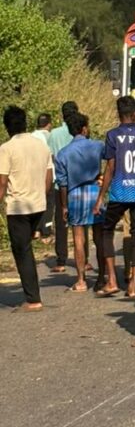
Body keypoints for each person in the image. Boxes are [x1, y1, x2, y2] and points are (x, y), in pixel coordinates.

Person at [93, 96, 135, 298]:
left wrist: (101, 196)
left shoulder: (113, 135)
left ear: (118, 113)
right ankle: (133, 285)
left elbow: (110, 167)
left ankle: (112, 280)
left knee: (106, 230)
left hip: (119, 191)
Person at [0, 106, 53, 310]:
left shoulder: (6, 149)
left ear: (7, 126)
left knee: (22, 252)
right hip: (38, 204)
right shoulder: (41, 145)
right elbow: (48, 178)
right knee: (27, 248)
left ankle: (33, 299)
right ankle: (32, 295)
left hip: (18, 207)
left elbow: (3, 183)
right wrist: (41, 195)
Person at [54, 112, 106, 293]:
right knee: (99, 238)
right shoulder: (98, 146)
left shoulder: (63, 154)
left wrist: (64, 205)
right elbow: (112, 159)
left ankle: (81, 280)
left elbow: (62, 183)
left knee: (78, 239)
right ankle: (101, 278)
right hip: (95, 192)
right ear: (84, 128)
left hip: (75, 195)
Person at [48, 101, 78, 272]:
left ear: (62, 115)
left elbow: (51, 156)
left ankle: (61, 260)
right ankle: (85, 259)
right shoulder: (81, 130)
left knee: (61, 222)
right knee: (80, 223)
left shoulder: (54, 133)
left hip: (61, 184)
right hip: (79, 182)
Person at [31, 113, 54, 241]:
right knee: (48, 204)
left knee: (36, 203)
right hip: (48, 174)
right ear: (49, 124)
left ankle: (36, 230)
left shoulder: (31, 136)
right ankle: (46, 231)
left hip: (34, 175)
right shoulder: (50, 137)